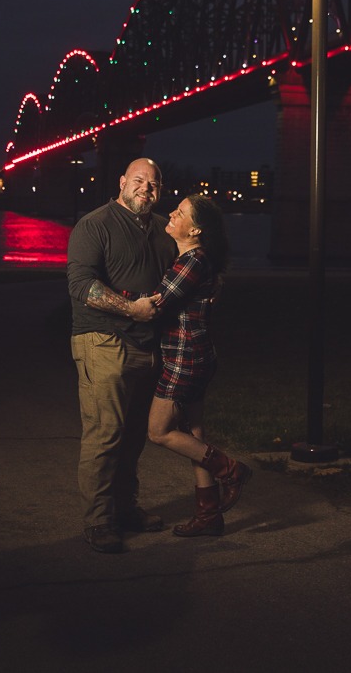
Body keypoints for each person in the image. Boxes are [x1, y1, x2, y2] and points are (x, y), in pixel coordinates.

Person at [66, 157, 177, 554]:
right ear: (121, 181)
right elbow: (81, 285)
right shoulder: (94, 224)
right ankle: (99, 521)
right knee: (106, 433)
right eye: (138, 180)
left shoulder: (166, 229)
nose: (146, 188)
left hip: (149, 345)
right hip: (103, 340)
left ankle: (126, 507)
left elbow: (194, 260)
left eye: (154, 183)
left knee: (133, 436)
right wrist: (132, 309)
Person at [133, 193, 251, 537]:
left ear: (196, 229)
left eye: (180, 212)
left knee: (158, 431)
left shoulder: (192, 262)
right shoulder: (194, 259)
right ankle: (209, 516)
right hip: (195, 355)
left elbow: (157, 304)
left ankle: (231, 470)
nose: (171, 212)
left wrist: (115, 297)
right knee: (195, 434)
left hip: (185, 359)